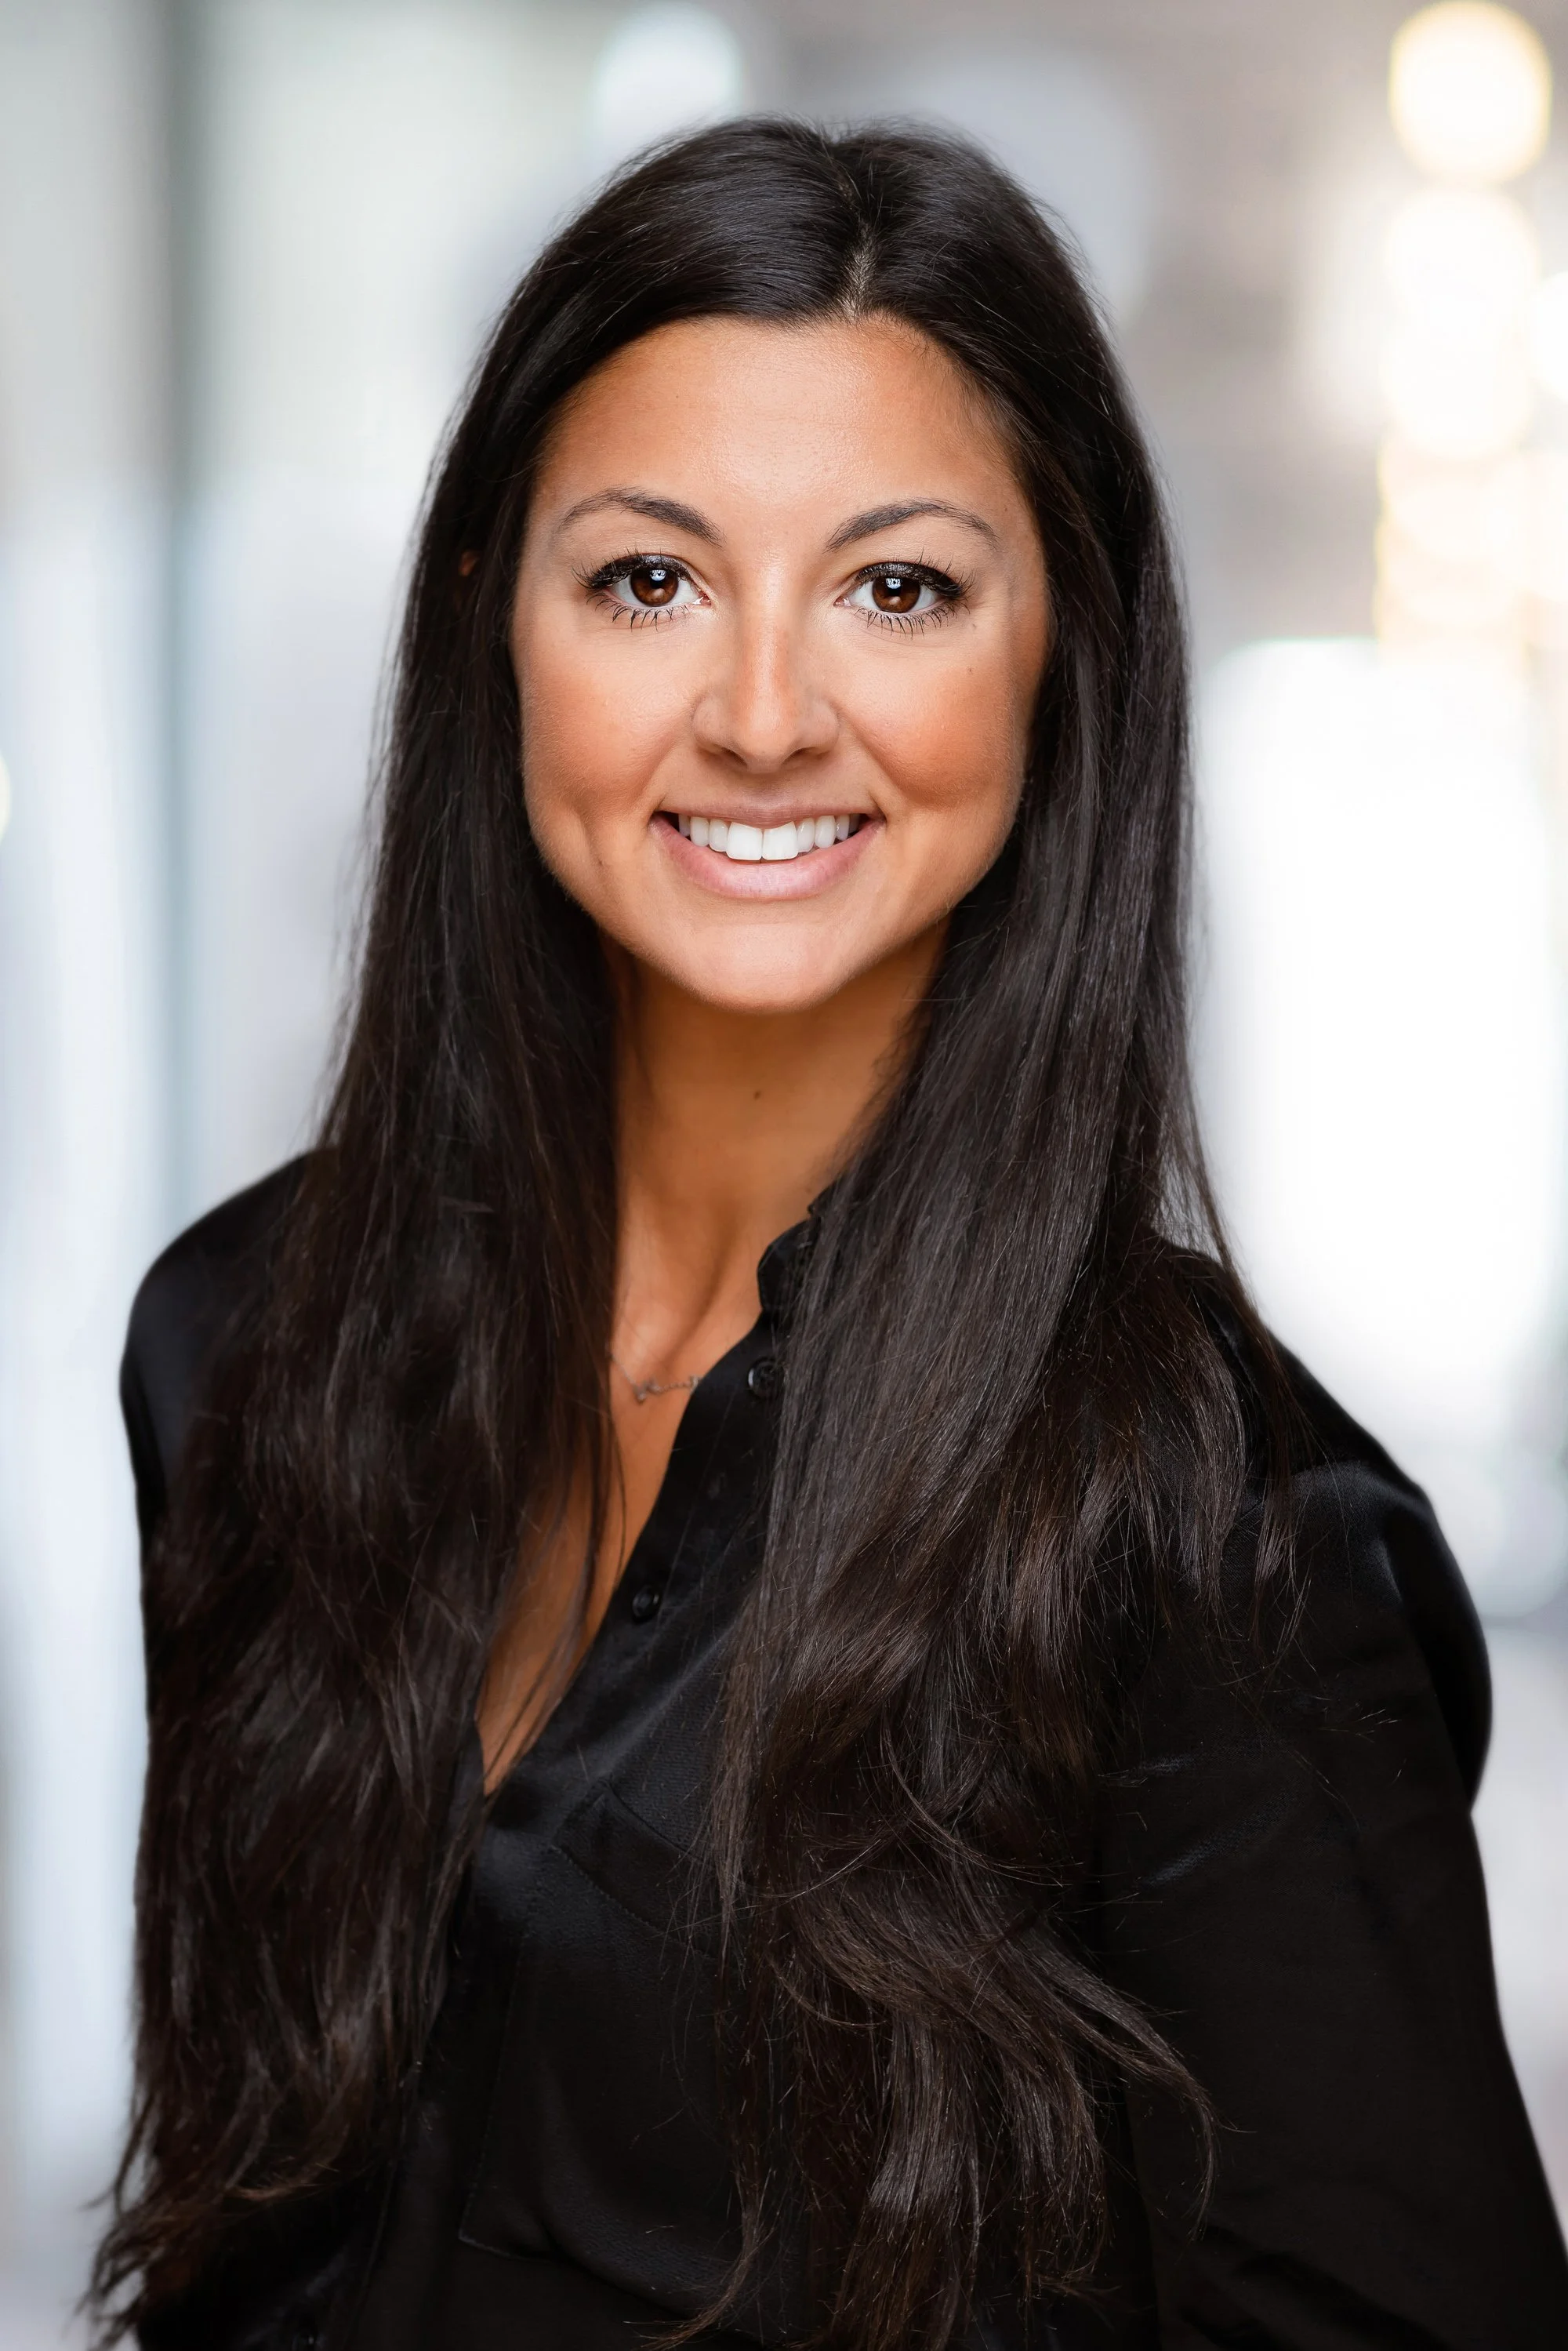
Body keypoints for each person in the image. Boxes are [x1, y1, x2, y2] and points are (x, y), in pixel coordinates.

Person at [93, 121, 1568, 2351]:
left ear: (1061, 648)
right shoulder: (243, 1348)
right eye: (649, 579)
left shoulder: (1209, 1540)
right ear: (494, 605)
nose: (767, 713)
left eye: (899, 587)